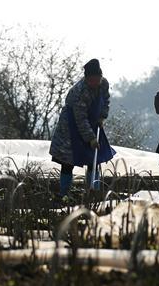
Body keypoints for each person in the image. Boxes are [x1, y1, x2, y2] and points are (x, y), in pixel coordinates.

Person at [49, 58, 115, 197]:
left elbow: (106, 100)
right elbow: (80, 119)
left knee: (94, 158)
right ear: (86, 79)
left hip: (93, 122)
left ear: (100, 77)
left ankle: (93, 191)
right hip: (71, 125)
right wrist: (91, 138)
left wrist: (102, 116)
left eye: (96, 80)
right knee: (68, 160)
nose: (93, 83)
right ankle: (64, 193)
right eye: (90, 80)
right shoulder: (80, 92)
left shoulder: (103, 84)